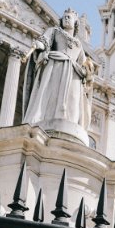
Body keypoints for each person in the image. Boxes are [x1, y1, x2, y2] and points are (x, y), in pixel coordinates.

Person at [22, 8, 90, 140]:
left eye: (69, 17)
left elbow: (83, 62)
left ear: (76, 23)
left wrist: (88, 70)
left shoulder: (79, 44)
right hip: (55, 66)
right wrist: (39, 44)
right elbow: (44, 41)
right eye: (64, 17)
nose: (66, 19)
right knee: (51, 94)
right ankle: (47, 119)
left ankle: (68, 122)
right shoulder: (54, 31)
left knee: (73, 101)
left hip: (74, 73)